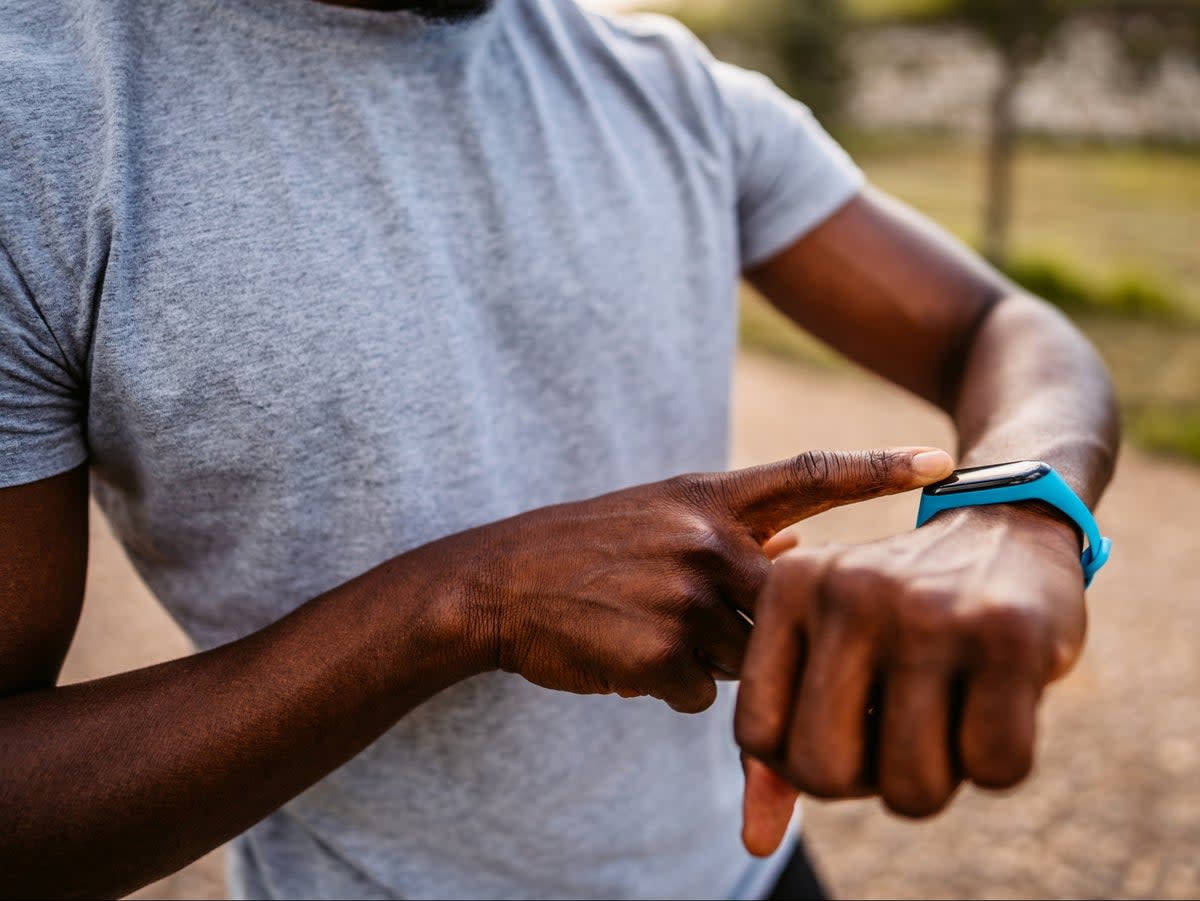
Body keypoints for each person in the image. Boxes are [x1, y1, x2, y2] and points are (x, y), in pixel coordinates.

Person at [0, 0, 1118, 898]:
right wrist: (462, 603)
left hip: (754, 871)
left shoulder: (671, 86)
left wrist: (1015, 512)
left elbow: (1000, 328)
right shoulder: (41, 121)